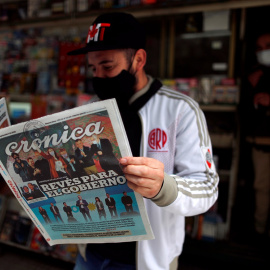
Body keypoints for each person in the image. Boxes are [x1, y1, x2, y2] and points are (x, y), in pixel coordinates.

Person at [68, 12, 219, 270]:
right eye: (93, 69)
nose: (99, 77)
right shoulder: (89, 112)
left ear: (138, 59)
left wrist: (163, 187)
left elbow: (207, 189)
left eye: (108, 66)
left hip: (149, 262)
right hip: (90, 254)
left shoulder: (180, 110)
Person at [244, 32, 270, 239]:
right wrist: (252, 89)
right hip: (260, 141)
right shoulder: (255, 75)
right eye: (259, 49)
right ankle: (260, 230)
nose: (264, 52)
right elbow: (246, 111)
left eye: (267, 46)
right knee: (261, 187)